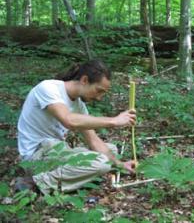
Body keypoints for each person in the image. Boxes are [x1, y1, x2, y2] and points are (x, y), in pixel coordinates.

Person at [16, 60, 137, 194]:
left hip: (56, 151)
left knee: (110, 150)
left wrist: (120, 165)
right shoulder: (48, 88)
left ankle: (77, 176)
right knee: (102, 162)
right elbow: (68, 120)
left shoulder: (79, 105)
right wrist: (113, 121)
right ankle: (36, 183)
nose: (99, 98)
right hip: (36, 156)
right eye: (99, 91)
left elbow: (93, 140)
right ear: (84, 80)